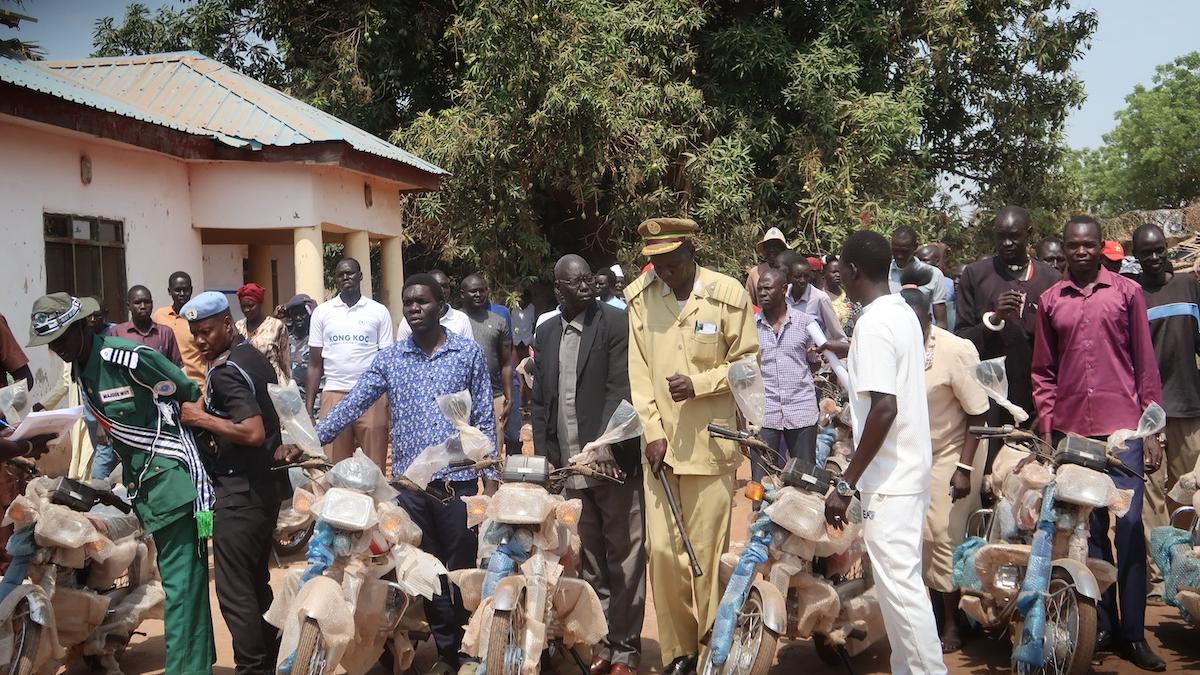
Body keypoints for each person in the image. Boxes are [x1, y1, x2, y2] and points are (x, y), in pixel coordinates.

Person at [315, 274, 496, 675]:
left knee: (458, 570)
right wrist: (313, 439)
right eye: (408, 303)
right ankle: (445, 651)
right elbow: (353, 402)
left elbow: (484, 415)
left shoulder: (466, 355)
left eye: (422, 302)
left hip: (458, 484)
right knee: (420, 571)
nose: (414, 309)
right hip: (411, 489)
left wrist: (492, 474)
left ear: (441, 304)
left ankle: (463, 650)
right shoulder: (391, 359)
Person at [30, 293, 215, 674]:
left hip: (175, 486)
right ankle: (199, 662)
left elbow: (186, 391)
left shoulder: (124, 357)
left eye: (63, 338)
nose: (59, 349)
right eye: (52, 344)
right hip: (146, 488)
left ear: (82, 326)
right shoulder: (82, 368)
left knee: (182, 588)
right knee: (187, 585)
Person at [625, 217, 758, 675]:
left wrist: (701, 383)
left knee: (707, 556)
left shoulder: (727, 295)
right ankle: (678, 652)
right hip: (660, 451)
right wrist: (653, 432)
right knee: (663, 558)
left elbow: (747, 366)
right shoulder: (640, 301)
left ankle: (712, 651)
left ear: (689, 253)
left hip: (710, 446)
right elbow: (639, 375)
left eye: (669, 262)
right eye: (654, 263)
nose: (662, 271)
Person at [1031, 215, 1165, 671]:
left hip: (1124, 429)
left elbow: (1145, 365)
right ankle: (1102, 625)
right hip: (1075, 434)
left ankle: (1135, 634)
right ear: (1065, 250)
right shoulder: (1051, 301)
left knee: (1128, 528)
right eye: (1074, 246)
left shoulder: (1127, 293)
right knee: (1087, 533)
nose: (1082, 252)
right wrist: (1047, 428)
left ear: (1100, 246)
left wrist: (1152, 431)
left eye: (1089, 245)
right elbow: (1044, 372)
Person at [822, 230, 947, 675]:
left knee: (902, 591)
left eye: (841, 268)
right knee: (901, 590)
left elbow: (884, 408)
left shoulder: (874, 323)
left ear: (853, 271)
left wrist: (845, 482)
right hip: (908, 473)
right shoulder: (901, 313)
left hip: (890, 480)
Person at [530, 255, 646, 675]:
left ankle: (627, 650)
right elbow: (540, 402)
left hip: (610, 463)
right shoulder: (545, 332)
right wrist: (545, 462)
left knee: (626, 557)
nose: (587, 287)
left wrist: (600, 451)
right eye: (576, 282)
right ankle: (601, 643)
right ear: (558, 289)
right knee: (591, 556)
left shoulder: (614, 324)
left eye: (589, 279)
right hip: (568, 467)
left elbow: (621, 391)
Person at [179, 291, 294, 675]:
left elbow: (252, 430)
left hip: (239, 494)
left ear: (228, 325)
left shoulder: (228, 371)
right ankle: (272, 657)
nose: (199, 340)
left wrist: (200, 419)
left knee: (233, 592)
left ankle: (251, 666)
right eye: (194, 333)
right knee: (255, 581)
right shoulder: (251, 356)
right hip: (264, 491)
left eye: (206, 331)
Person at [897, 265, 990, 653]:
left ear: (930, 318)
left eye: (919, 324)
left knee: (941, 533)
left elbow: (978, 414)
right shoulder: (895, 349)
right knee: (913, 535)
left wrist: (964, 469)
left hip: (956, 449)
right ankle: (929, 613)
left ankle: (952, 623)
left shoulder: (954, 350)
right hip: (912, 453)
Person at [955, 206, 1060, 488]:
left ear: (1029, 235)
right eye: (1001, 236)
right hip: (986, 401)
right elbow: (962, 339)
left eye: (1014, 236)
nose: (1007, 243)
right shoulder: (976, 275)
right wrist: (994, 320)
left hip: (1035, 400)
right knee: (985, 483)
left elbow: (1059, 345)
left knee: (1031, 483)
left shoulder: (1050, 280)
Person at [1132, 223, 1200, 602]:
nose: (1155, 257)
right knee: (1152, 497)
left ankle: (1189, 569)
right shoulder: (1133, 294)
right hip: (1150, 413)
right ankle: (1159, 577)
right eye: (1147, 252)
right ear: (1136, 255)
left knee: (1189, 491)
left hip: (1190, 404)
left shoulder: (1190, 286)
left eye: (1159, 250)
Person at [306, 257, 393, 467]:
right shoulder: (322, 312)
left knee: (374, 467)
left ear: (360, 276)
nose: (346, 277)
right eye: (341, 274)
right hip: (334, 394)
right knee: (334, 467)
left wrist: (391, 404)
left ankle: (375, 502)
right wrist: (308, 409)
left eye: (350, 273)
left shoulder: (378, 311)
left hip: (371, 397)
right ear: (336, 279)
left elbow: (388, 363)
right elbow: (315, 364)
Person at [754, 267, 820, 480]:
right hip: (765, 414)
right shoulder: (750, 327)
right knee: (763, 483)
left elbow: (815, 361)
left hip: (801, 410)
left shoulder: (805, 323)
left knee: (804, 480)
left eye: (768, 288)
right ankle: (760, 514)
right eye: (759, 289)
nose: (762, 293)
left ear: (783, 289)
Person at [461, 273, 514, 446]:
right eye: (473, 291)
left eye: (482, 290)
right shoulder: (455, 321)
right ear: (462, 294)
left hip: (494, 395)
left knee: (493, 453)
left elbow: (506, 363)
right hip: (461, 398)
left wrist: (509, 396)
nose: (478, 295)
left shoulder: (498, 321)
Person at [152, 271, 207, 389]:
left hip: (198, 385)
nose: (182, 294)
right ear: (169, 291)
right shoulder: (159, 315)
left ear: (191, 290)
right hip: (169, 386)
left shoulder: (200, 316)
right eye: (177, 290)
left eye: (186, 290)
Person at [889, 226, 949, 328]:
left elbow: (941, 322)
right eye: (895, 250)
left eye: (904, 251)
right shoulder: (883, 273)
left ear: (915, 247)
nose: (899, 256)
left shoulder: (933, 274)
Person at [109, 285, 183, 367]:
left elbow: (176, 367)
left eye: (147, 302)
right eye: (137, 303)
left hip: (160, 379)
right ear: (128, 306)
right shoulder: (116, 333)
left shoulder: (165, 332)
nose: (143, 306)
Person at [235, 282, 290, 385]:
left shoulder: (276, 326)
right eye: (243, 306)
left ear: (260, 303)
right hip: (248, 384)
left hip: (273, 385)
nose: (246, 310)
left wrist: (287, 388)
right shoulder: (238, 327)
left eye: (251, 306)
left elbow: (285, 362)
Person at [783, 253, 846, 341]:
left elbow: (838, 335)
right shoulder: (782, 295)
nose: (802, 280)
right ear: (789, 277)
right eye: (797, 277)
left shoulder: (820, 298)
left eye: (806, 276)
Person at [396, 269, 473, 339]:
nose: (441, 290)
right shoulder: (407, 322)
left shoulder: (462, 319)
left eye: (445, 286)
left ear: (440, 306)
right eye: (437, 286)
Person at [745, 226, 792, 300]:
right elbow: (748, 301)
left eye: (776, 246)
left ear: (783, 249)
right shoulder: (755, 273)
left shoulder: (791, 272)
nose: (772, 249)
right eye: (768, 246)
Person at [917, 244, 956, 329]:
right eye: (919, 260)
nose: (921, 264)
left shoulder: (949, 284)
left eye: (925, 260)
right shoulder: (911, 280)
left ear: (937, 261)